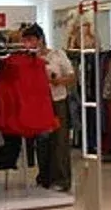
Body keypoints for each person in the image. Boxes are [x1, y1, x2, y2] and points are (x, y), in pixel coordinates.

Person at [22, 24, 76, 192]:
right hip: (38, 103)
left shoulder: (57, 55)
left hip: (57, 100)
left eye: (30, 40)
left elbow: (72, 76)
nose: (27, 44)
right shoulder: (27, 58)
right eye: (25, 41)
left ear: (40, 39)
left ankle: (61, 179)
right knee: (42, 141)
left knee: (59, 141)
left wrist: (57, 81)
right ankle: (44, 176)